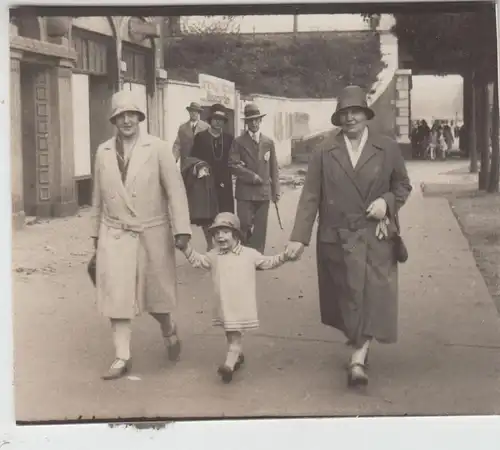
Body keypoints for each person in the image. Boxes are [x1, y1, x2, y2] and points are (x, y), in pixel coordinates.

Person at [285, 85, 412, 388]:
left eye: (355, 111)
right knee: (346, 299)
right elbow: (310, 197)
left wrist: (387, 203)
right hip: (337, 236)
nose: (350, 117)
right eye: (344, 113)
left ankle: (358, 356)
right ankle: (358, 341)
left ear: (366, 115)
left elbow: (402, 186)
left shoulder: (387, 147)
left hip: (375, 235)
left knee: (372, 296)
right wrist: (298, 238)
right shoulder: (324, 151)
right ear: (338, 118)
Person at [90, 90, 192, 380]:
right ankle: (122, 356)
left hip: (152, 232)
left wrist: (182, 229)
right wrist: (95, 238)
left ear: (140, 118)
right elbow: (97, 198)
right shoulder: (103, 152)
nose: (126, 120)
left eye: (132, 114)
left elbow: (175, 191)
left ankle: (168, 329)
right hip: (114, 232)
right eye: (121, 115)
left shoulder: (157, 148)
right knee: (117, 298)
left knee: (155, 298)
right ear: (114, 119)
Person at [181, 212, 291, 383]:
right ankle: (237, 355)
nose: (220, 236)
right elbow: (198, 261)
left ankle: (229, 365)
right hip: (224, 304)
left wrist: (285, 256)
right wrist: (186, 248)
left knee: (234, 335)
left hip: (240, 304)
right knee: (230, 333)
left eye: (225, 232)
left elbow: (268, 262)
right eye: (217, 233)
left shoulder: (249, 254)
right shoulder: (213, 255)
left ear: (236, 234)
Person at [182, 103, 235, 251]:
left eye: (221, 119)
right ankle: (210, 245)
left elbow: (235, 159)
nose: (218, 122)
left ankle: (224, 245)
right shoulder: (201, 137)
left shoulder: (230, 139)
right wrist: (199, 166)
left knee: (225, 215)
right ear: (210, 120)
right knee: (207, 217)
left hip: (225, 182)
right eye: (215, 118)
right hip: (206, 182)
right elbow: (191, 159)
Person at [229, 103, 280, 254]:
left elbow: (274, 168)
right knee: (244, 224)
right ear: (246, 123)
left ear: (260, 121)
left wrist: (276, 191)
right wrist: (252, 176)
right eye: (251, 120)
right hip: (245, 192)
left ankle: (257, 255)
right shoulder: (238, 142)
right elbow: (232, 165)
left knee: (261, 226)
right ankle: (245, 252)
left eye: (257, 120)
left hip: (263, 192)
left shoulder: (268, 142)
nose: (254, 123)